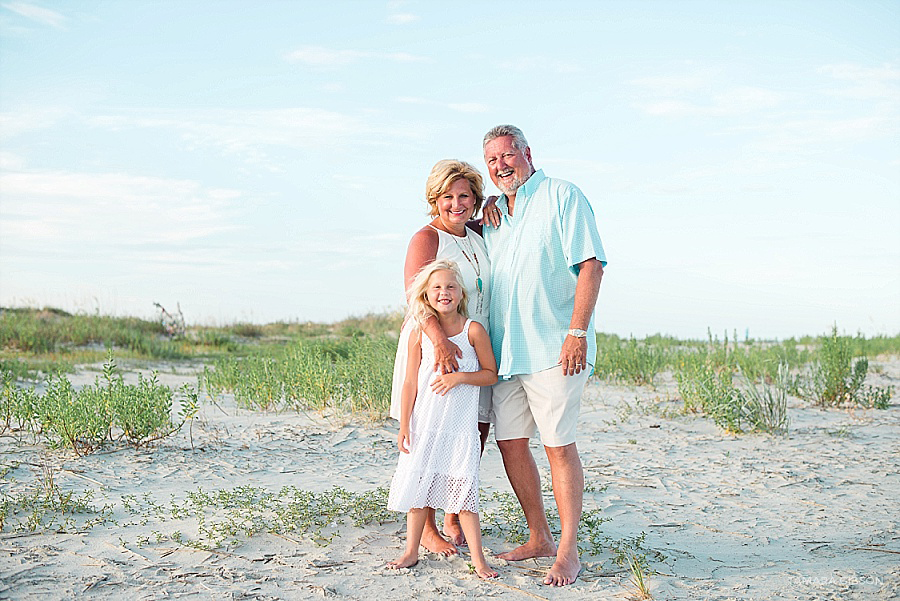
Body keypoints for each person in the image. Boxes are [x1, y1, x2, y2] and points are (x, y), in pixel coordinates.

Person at [480, 125, 607, 587]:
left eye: (507, 156)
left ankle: (568, 552)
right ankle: (539, 537)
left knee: (557, 445)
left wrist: (577, 332)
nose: (500, 166)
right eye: (491, 161)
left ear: (527, 153)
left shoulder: (562, 196)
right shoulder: (495, 215)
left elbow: (590, 264)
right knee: (511, 443)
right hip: (508, 352)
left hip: (555, 347)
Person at [388, 159, 493, 554]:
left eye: (464, 195)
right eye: (447, 196)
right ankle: (427, 527)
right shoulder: (427, 237)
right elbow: (415, 297)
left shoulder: (478, 234)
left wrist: (495, 206)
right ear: (435, 198)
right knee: (429, 431)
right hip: (434, 345)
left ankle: (454, 510)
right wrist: (439, 341)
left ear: (475, 200)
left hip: (472, 340)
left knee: (471, 430)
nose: (456, 203)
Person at [386, 260, 499, 580]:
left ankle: (479, 560)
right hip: (424, 423)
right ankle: (410, 552)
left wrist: (459, 377)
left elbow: (490, 374)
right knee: (419, 489)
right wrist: (404, 424)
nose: (443, 292)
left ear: (461, 292)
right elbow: (409, 383)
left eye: (450, 286)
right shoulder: (420, 333)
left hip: (459, 428)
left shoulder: (472, 330)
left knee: (464, 493)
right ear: (426, 295)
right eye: (436, 288)